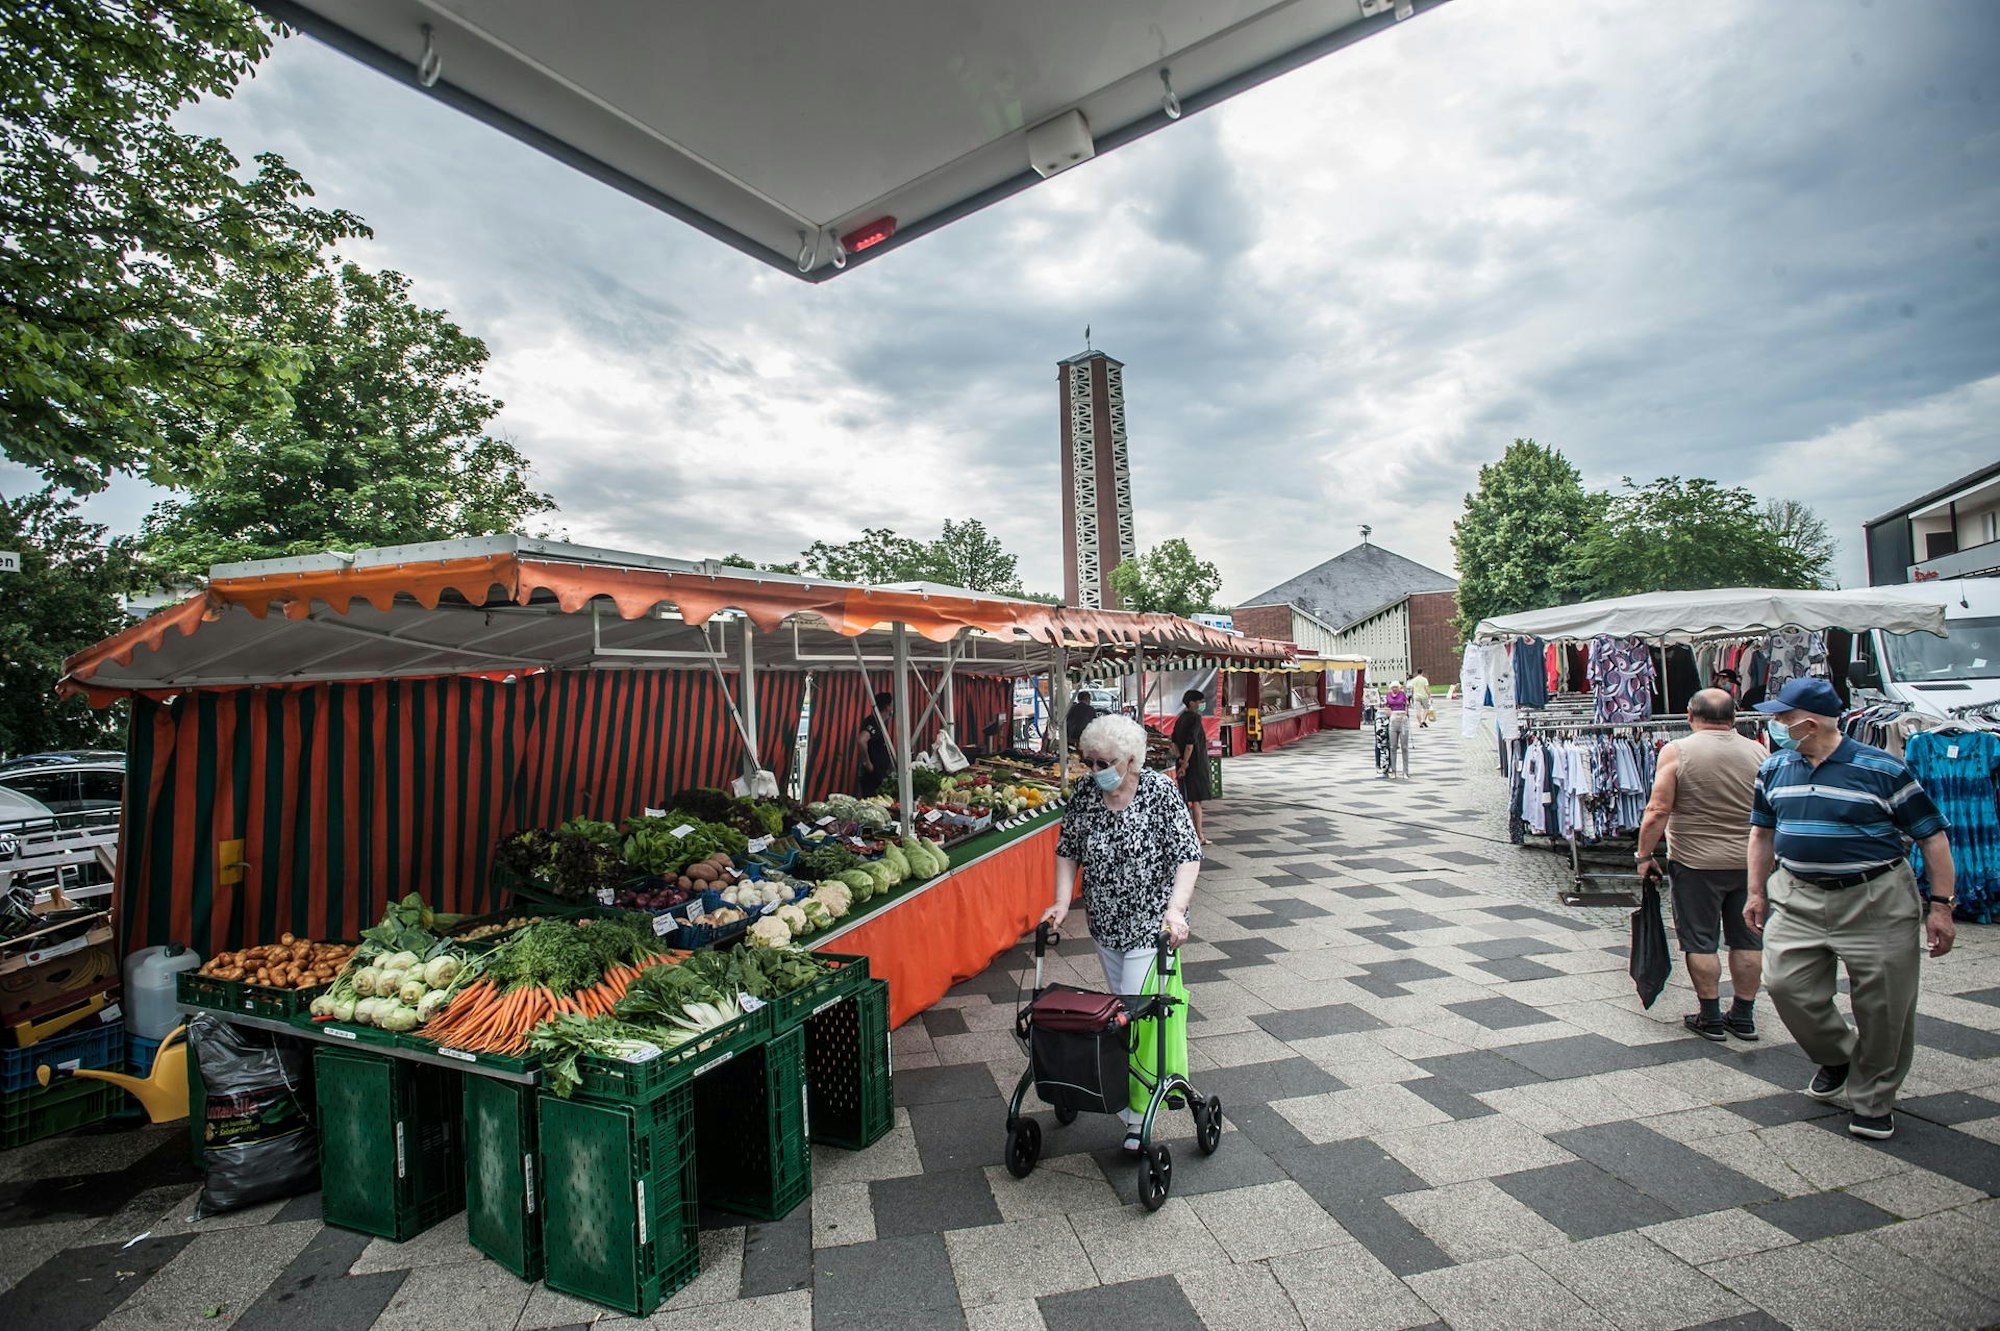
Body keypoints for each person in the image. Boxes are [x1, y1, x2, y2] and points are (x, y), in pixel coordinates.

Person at [1744, 677, 1957, 1142]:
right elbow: (1761, 833)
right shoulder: (1775, 767)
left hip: (1875, 897)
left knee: (1884, 1005)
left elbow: (1931, 835)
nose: (1775, 724)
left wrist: (1941, 906)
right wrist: (1756, 891)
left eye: (1782, 717)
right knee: (1784, 984)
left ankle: (1874, 1099)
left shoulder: (1882, 768)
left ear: (1809, 721)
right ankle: (1838, 1055)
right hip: (1797, 895)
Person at [1042, 713, 1202, 1154]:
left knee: (1128, 1018)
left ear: (1132, 759)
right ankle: (1132, 1090)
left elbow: (1188, 856)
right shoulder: (1085, 796)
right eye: (1088, 762)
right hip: (1106, 924)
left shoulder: (1160, 793)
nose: (1094, 771)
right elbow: (1068, 850)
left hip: (1151, 928)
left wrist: (1176, 911)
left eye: (1103, 762)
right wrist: (1060, 902)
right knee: (1121, 1011)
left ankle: (1136, 1116)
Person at [1634, 689, 1770, 1042]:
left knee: (1701, 940)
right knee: (1748, 939)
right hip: (1749, 861)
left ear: (1690, 714)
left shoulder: (1678, 751)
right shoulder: (1759, 751)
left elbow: (1657, 811)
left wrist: (1644, 856)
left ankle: (1710, 1016)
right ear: (1734, 717)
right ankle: (1743, 1015)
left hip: (1696, 862)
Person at [1171, 689, 1213, 844]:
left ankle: (1188, 834)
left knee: (1185, 798)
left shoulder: (1180, 718)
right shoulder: (1195, 719)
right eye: (1200, 701)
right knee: (1196, 800)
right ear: (1191, 703)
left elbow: (1173, 741)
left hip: (1183, 763)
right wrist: (1186, 763)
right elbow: (1190, 744)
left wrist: (1180, 760)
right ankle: (1199, 835)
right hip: (1195, 765)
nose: (1202, 704)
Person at [856, 691, 894, 795]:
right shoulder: (872, 722)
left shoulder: (880, 723)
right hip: (872, 778)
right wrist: (867, 763)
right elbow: (861, 741)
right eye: (891, 705)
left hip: (879, 775)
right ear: (887, 707)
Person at [1382, 679, 1413, 778]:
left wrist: (1406, 714)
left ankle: (1405, 771)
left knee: (1404, 747)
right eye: (1393, 688)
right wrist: (1389, 713)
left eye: (1396, 687)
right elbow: (1386, 706)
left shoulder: (1403, 694)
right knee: (1393, 746)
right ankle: (1394, 771)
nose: (1395, 689)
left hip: (1403, 720)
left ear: (1399, 688)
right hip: (1393, 720)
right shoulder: (1388, 695)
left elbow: (1407, 705)